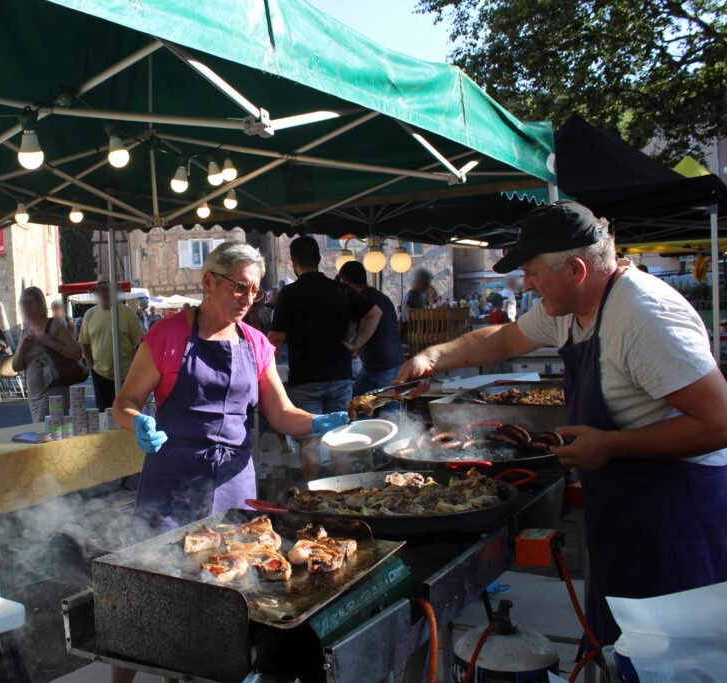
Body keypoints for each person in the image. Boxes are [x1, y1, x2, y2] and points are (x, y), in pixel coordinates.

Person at [396, 201, 727, 647]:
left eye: (532, 272)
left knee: (666, 655)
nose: (525, 283)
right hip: (622, 497)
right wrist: (434, 356)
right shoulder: (570, 308)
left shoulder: (645, 316)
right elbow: (507, 337)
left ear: (575, 269)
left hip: (677, 510)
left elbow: (719, 422)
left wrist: (612, 445)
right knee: (618, 646)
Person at [113, 242, 345, 530]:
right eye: (239, 287)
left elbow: (282, 413)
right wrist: (137, 421)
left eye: (254, 291)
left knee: (234, 564)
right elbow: (125, 401)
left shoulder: (257, 343)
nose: (248, 299)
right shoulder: (166, 336)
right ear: (209, 282)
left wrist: (317, 422)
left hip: (233, 479)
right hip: (172, 480)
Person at [268, 236, 381, 478]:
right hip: (339, 376)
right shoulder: (340, 289)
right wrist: (355, 345)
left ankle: (315, 500)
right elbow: (375, 313)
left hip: (305, 378)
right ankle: (344, 493)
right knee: (340, 440)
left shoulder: (289, 294)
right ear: (319, 260)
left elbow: (276, 338)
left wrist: (264, 372)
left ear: (293, 261)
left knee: (309, 444)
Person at [12, 286, 83, 421]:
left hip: (54, 391)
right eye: (22, 303)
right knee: (41, 432)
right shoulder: (25, 332)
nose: (25, 307)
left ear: (39, 304)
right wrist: (22, 348)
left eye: (29, 302)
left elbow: (77, 353)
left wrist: (49, 342)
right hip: (34, 395)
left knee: (47, 432)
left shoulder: (54, 326)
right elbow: (16, 367)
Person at [338, 261, 404, 400]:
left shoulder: (361, 299)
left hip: (379, 367)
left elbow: (349, 328)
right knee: (388, 410)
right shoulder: (381, 297)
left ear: (345, 281)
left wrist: (350, 346)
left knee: (357, 409)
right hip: (394, 362)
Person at [79, 275, 143, 411]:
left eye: (108, 290)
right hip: (100, 374)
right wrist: (91, 365)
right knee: (104, 414)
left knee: (127, 411)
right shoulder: (90, 315)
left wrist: (134, 367)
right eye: (102, 290)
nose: (105, 293)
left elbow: (140, 343)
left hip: (126, 374)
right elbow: (84, 343)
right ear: (97, 293)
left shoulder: (127, 313)